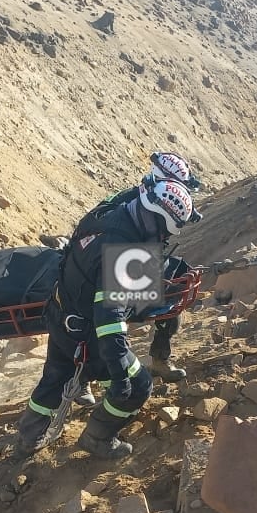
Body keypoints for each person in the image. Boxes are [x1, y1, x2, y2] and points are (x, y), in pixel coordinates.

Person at [17, 179, 198, 460]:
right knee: (138, 385)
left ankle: (28, 438)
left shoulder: (110, 212)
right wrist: (119, 374)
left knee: (56, 376)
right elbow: (110, 322)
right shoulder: (127, 252)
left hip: (61, 313)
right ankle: (98, 437)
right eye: (164, 231)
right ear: (158, 219)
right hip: (88, 334)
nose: (163, 238)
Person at [65, 152, 203, 405]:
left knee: (176, 284)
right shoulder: (131, 203)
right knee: (97, 315)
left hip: (132, 259)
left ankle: (160, 358)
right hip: (105, 262)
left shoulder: (151, 197)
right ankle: (82, 379)